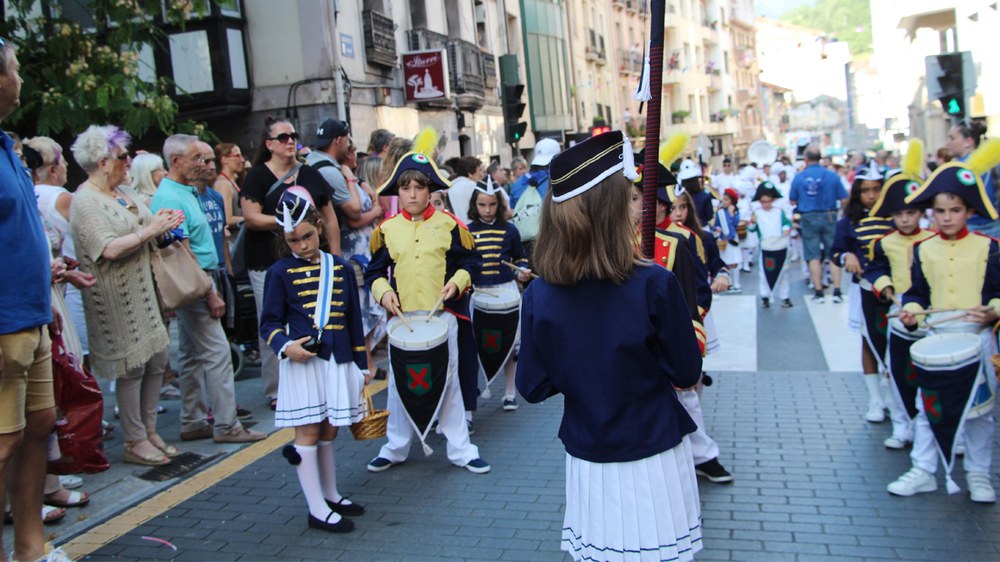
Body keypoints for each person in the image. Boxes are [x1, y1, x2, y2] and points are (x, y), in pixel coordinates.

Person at [516, 131, 703, 562]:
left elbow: (532, 386)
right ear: (611, 210)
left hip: (588, 456)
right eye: (627, 198)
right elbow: (687, 373)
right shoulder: (655, 283)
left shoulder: (540, 296)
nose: (637, 209)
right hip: (654, 452)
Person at [364, 151, 489, 474]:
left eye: (419, 187)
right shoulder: (386, 230)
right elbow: (374, 273)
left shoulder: (451, 225)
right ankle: (395, 447)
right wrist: (384, 293)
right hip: (402, 320)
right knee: (396, 384)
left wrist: (457, 283)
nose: (413, 194)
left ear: (430, 189)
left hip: (442, 317)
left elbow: (471, 263)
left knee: (448, 382)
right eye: (406, 188)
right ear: (398, 192)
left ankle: (461, 449)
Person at [888, 142, 1000, 503]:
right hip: (936, 337)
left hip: (977, 338)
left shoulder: (990, 246)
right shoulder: (923, 249)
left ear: (968, 211)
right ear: (930, 213)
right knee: (926, 408)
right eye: (940, 211)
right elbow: (918, 292)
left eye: (955, 210)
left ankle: (979, 475)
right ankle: (923, 471)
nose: (947, 217)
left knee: (980, 414)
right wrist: (910, 310)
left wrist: (994, 309)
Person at [70, 125, 184, 466]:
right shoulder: (86, 200)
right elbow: (107, 248)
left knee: (157, 362)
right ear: (103, 162)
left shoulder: (125, 191)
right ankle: (134, 439)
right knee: (132, 368)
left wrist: (160, 223)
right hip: (117, 300)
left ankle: (149, 431)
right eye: (122, 157)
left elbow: (145, 224)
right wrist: (150, 230)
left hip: (147, 293)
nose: (127, 162)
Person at [260, 188, 369, 534]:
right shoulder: (279, 272)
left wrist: (361, 365)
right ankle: (316, 508)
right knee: (307, 431)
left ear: (319, 227)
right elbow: (269, 323)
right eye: (293, 240)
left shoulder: (338, 266)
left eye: (307, 236)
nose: (303, 245)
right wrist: (285, 347)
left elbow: (353, 319)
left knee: (329, 428)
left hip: (337, 361)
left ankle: (331, 494)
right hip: (304, 364)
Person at [151, 135, 264, 444]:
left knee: (190, 355)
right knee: (217, 353)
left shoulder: (184, 192)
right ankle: (227, 425)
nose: (203, 164)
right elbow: (182, 251)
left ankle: (193, 419)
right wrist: (210, 291)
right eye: (196, 158)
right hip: (197, 280)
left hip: (203, 278)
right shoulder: (171, 197)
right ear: (176, 162)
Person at [0, 40, 65, 562]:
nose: (20, 78)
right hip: (4, 322)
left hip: (32, 315)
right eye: (16, 69)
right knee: (2, 441)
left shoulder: (9, 146)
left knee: (37, 428)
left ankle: (31, 551)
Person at [242, 118, 341, 410]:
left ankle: (312, 378)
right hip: (267, 263)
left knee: (311, 318)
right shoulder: (257, 176)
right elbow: (250, 217)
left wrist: (335, 259)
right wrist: (292, 220)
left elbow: (330, 217)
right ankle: (276, 389)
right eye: (282, 137)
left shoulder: (309, 173)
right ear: (269, 144)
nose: (289, 141)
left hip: (310, 260)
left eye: (293, 136)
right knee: (272, 321)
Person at [864, 152, 936, 449]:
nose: (905, 218)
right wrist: (888, 290)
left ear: (920, 212)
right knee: (897, 374)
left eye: (911, 212)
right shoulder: (884, 242)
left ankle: (936, 428)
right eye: (899, 214)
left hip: (932, 319)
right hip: (899, 314)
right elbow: (876, 269)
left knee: (930, 378)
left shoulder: (933, 239)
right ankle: (902, 425)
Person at [831, 163, 894, 423]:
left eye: (877, 189)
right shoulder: (847, 222)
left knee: (896, 344)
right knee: (868, 342)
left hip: (896, 290)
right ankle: (875, 400)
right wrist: (848, 255)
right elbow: (835, 252)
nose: (871, 195)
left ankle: (894, 397)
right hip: (864, 289)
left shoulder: (895, 217)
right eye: (866, 190)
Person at [467, 178, 532, 411]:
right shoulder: (467, 231)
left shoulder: (510, 229)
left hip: (506, 291)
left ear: (499, 204)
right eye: (482, 205)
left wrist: (522, 271)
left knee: (511, 345)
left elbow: (520, 257)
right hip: (478, 294)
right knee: (475, 345)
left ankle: (510, 391)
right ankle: (473, 387)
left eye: (492, 205)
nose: (487, 210)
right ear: (475, 205)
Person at [790, 146, 849, 303]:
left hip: (808, 216)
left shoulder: (799, 177)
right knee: (834, 253)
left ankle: (818, 291)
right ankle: (837, 290)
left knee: (813, 254)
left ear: (806, 159)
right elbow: (843, 198)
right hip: (830, 214)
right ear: (821, 158)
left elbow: (792, 199)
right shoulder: (832, 176)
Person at [947, 120, 999, 238]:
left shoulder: (957, 169)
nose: (948, 143)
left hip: (968, 231)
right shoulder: (994, 162)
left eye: (952, 138)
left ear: (968, 142)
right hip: (996, 229)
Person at [748, 182, 793, 308]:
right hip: (766, 247)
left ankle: (784, 297)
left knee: (784, 273)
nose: (766, 204)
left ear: (773, 200)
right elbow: (751, 229)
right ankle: (765, 296)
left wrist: (786, 229)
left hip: (780, 245)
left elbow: (787, 224)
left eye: (768, 201)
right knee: (764, 273)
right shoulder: (757, 212)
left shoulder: (779, 211)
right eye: (763, 201)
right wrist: (752, 222)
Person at [213, 142, 245, 235]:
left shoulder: (230, 182)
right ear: (224, 159)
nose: (242, 160)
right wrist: (252, 218)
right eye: (237, 156)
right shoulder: (224, 184)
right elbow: (227, 219)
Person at [714, 188, 743, 292]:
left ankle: (737, 284)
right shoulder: (720, 212)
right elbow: (716, 224)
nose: (724, 202)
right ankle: (729, 283)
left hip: (732, 239)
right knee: (726, 263)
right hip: (724, 239)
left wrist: (731, 215)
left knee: (735, 262)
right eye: (724, 200)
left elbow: (735, 224)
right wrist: (717, 228)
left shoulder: (735, 211)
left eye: (727, 200)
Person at [445, 156, 483, 224]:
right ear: (470, 173)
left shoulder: (449, 188)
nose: (482, 174)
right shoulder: (474, 187)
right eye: (479, 170)